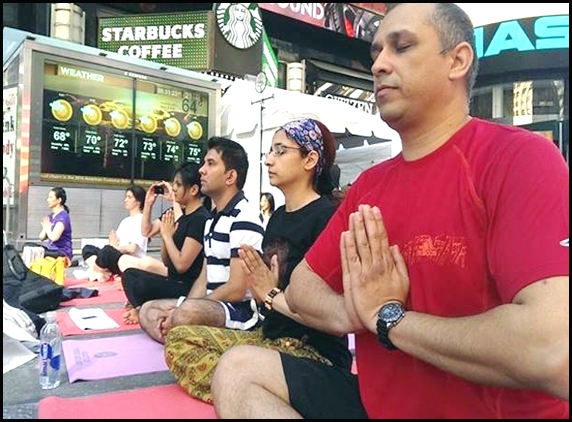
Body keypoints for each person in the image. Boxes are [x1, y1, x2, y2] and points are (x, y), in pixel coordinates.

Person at [210, 3, 569, 419]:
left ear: (457, 60)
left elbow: (553, 349)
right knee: (238, 371)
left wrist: (389, 318)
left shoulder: (519, 158)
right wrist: (358, 309)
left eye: (401, 47)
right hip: (378, 406)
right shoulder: (370, 186)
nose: (379, 64)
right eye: (376, 52)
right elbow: (305, 286)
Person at [164, 118, 349, 404]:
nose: (268, 161)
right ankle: (255, 391)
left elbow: (334, 312)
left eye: (280, 151)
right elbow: (262, 293)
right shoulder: (275, 219)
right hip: (269, 337)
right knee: (179, 340)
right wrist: (266, 295)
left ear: (310, 159)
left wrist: (273, 295)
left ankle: (252, 390)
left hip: (311, 351)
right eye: (269, 152)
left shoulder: (326, 218)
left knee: (234, 367)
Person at [137, 137, 265, 343]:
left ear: (230, 176)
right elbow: (204, 277)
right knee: (147, 310)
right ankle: (184, 337)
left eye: (211, 164)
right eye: (204, 163)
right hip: (209, 304)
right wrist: (186, 304)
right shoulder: (212, 221)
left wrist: (187, 308)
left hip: (237, 311)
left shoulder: (245, 217)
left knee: (184, 314)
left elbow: (236, 289)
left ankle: (185, 336)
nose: (202, 170)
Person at [93, 163, 211, 324]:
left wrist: (168, 236)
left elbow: (182, 265)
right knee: (130, 275)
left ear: (193, 190)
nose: (173, 189)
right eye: (173, 184)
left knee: (140, 283)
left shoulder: (200, 219)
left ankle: (143, 308)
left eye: (178, 184)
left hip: (186, 286)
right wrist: (164, 235)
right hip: (172, 277)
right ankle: (144, 305)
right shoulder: (182, 218)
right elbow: (167, 260)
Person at [80, 184, 148, 281]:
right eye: (126, 197)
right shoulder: (125, 221)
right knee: (88, 248)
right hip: (117, 255)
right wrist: (113, 245)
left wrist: (114, 247)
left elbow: (132, 249)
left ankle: (95, 271)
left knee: (107, 251)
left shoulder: (141, 220)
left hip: (129, 261)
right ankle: (102, 272)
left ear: (138, 201)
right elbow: (115, 242)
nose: (125, 200)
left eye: (129, 197)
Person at [28, 187, 73, 261]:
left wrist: (47, 228)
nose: (47, 200)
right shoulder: (51, 216)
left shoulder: (63, 216)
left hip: (62, 252)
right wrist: (45, 228)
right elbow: (41, 237)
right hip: (52, 250)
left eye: (50, 197)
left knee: (36, 252)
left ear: (59, 200)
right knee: (28, 246)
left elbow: (54, 238)